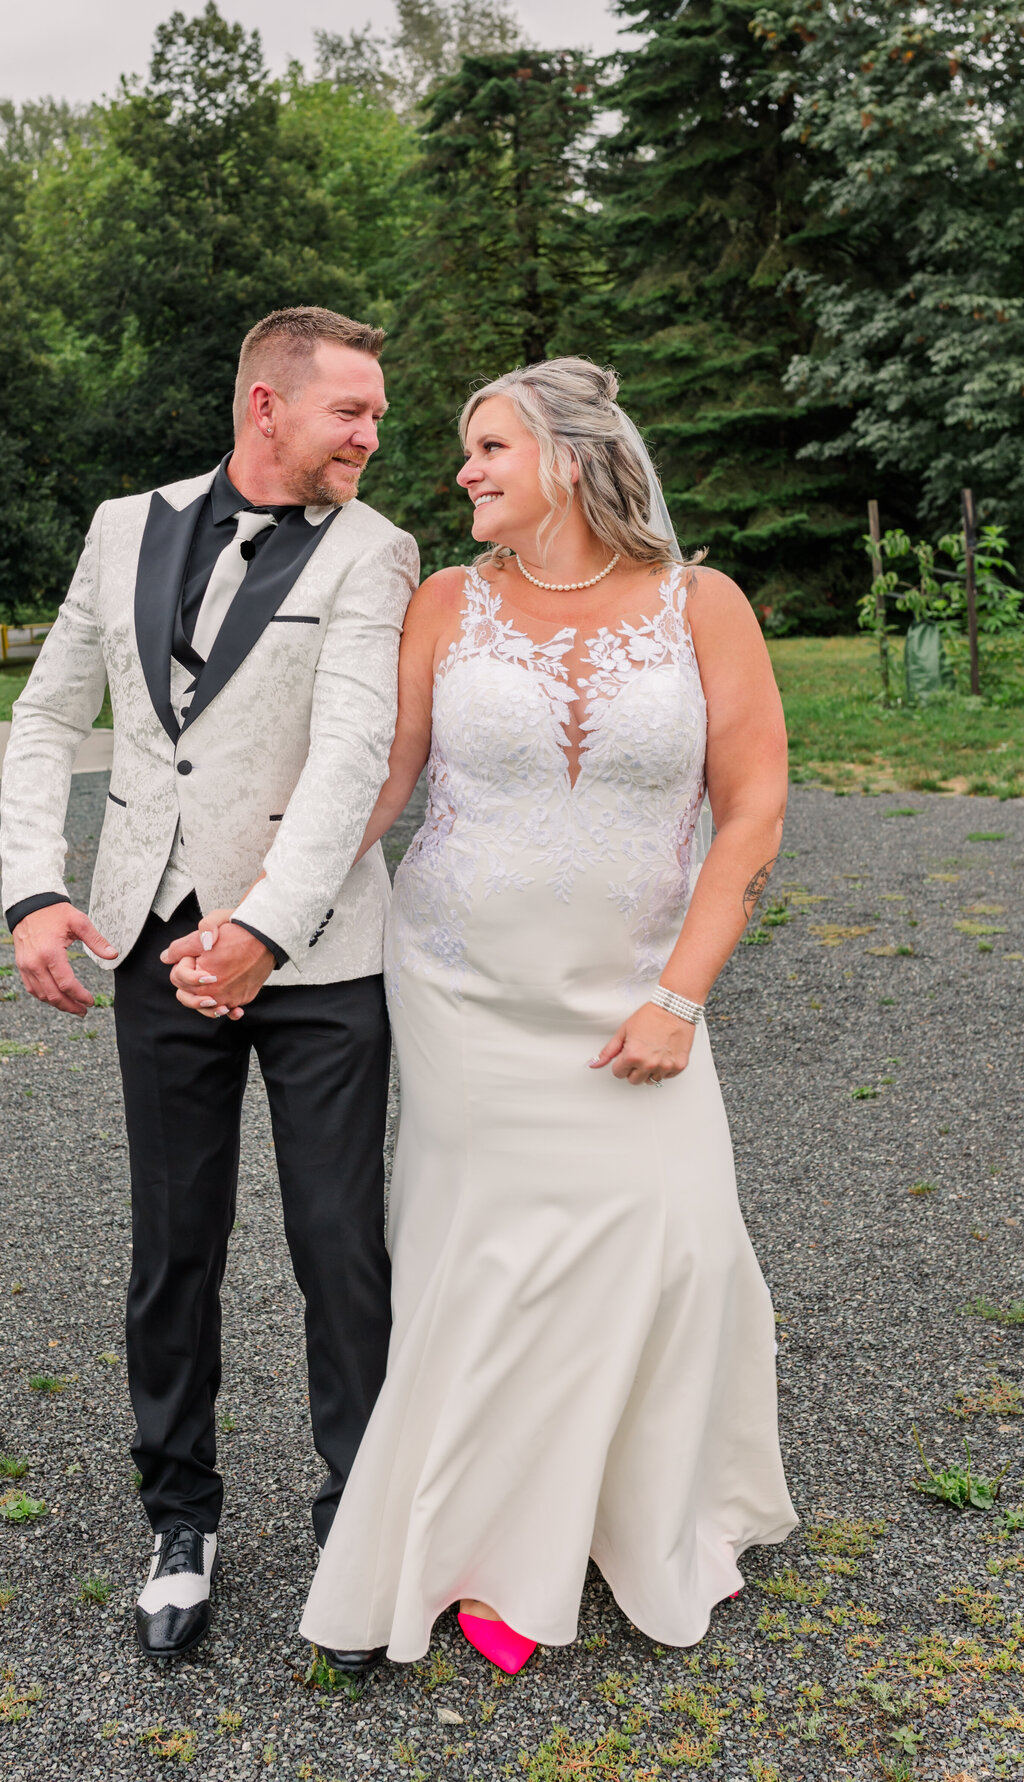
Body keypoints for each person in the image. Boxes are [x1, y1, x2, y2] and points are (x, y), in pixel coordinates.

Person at [297, 356, 796, 1674]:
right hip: (464, 991)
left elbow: (752, 809)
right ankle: (488, 1545)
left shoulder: (704, 606)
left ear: (569, 460)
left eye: (490, 447)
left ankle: (640, 1509)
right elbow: (382, 785)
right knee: (495, 1265)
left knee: (676, 1241)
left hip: (639, 991)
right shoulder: (446, 604)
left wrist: (680, 996)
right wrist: (260, 907)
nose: (463, 469)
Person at [0, 306, 418, 1667]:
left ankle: (357, 1529)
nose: (373, 434)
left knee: (339, 1245)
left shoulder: (375, 550)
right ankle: (179, 1518)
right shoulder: (124, 526)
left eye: (377, 413)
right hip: (149, 937)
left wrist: (263, 931)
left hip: (318, 954)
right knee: (173, 1244)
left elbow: (353, 755)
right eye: (351, 410)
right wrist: (32, 888)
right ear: (265, 405)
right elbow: (48, 712)